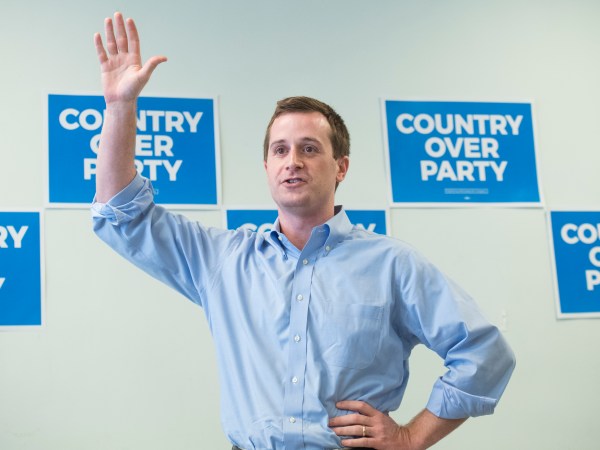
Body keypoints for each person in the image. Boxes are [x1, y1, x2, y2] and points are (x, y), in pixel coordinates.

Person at [91, 12, 515, 450]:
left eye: (309, 148)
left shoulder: (393, 264)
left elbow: (484, 354)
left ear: (341, 168)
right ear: (268, 167)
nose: (292, 160)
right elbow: (121, 214)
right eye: (281, 149)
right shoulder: (221, 259)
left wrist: (411, 437)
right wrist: (120, 107)